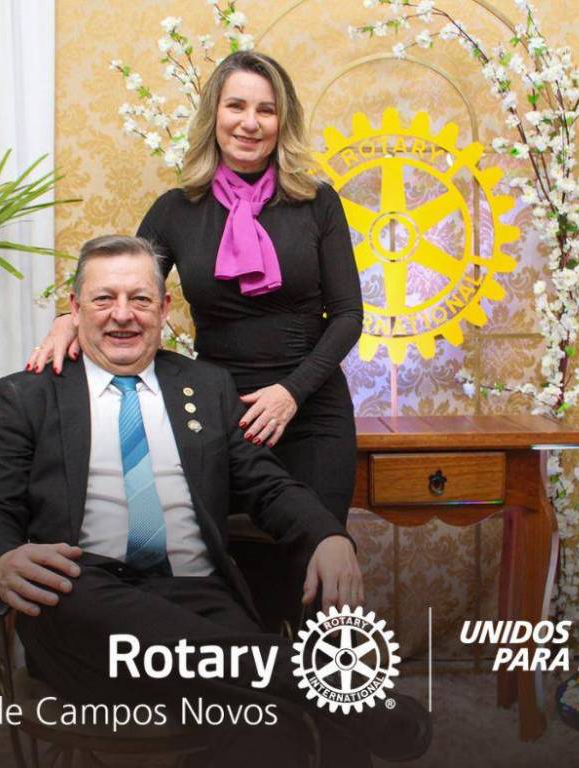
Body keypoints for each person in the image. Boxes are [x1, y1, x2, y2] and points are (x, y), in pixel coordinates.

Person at [0, 236, 429, 768]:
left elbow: (268, 485)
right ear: (74, 308)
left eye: (139, 299)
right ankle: (301, 673)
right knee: (68, 584)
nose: (122, 315)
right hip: (87, 607)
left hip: (197, 598)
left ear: (163, 309)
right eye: (103, 298)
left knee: (270, 726)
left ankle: (280, 679)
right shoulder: (30, 395)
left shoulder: (207, 388)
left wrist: (327, 535)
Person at [28, 50, 362, 529]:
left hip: (311, 411)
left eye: (266, 110)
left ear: (282, 122)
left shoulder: (317, 201)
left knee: (317, 547)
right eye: (236, 106)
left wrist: (291, 393)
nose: (250, 123)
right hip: (212, 414)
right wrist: (69, 320)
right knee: (212, 556)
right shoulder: (176, 209)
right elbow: (123, 286)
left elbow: (349, 315)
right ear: (214, 115)